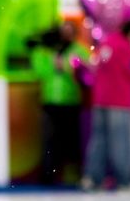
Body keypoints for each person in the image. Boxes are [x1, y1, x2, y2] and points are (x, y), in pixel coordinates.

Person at [81, 21, 130, 191]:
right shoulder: (125, 47)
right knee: (123, 143)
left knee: (99, 141)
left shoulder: (106, 44)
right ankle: (124, 181)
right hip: (120, 102)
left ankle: (93, 179)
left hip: (100, 101)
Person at [29, 21, 89, 185]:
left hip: (70, 101)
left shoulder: (79, 50)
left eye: (69, 31)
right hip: (50, 101)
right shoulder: (47, 51)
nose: (66, 35)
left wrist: (67, 68)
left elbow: (86, 73)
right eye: (63, 31)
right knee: (48, 140)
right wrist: (54, 66)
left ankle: (72, 176)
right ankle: (48, 176)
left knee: (71, 140)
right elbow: (38, 71)